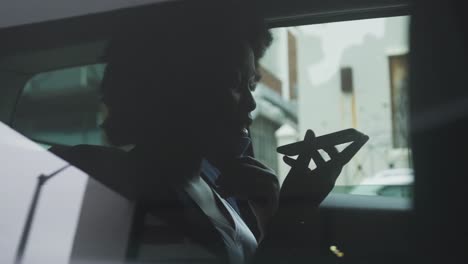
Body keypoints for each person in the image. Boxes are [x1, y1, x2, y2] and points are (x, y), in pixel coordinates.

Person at [51, 1, 367, 263]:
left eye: (251, 84)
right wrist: (291, 215)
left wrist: (275, 213)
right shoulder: (140, 199)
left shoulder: (204, 184)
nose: (251, 102)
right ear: (176, 89)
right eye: (233, 82)